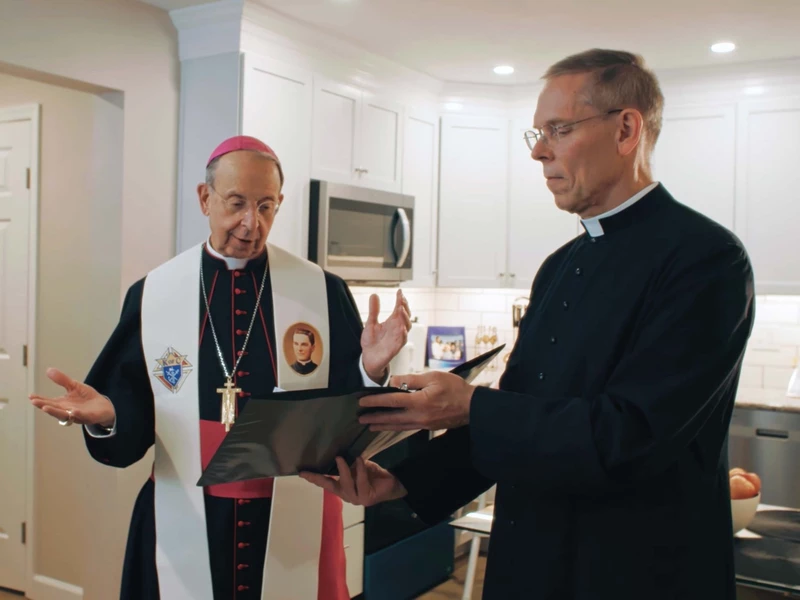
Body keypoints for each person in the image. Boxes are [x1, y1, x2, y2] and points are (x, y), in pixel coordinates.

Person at [301, 49, 756, 600]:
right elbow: (519, 413)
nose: (540, 151)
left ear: (627, 129)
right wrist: (401, 479)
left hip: (635, 572)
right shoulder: (559, 267)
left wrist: (470, 405)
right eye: (536, 134)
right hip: (530, 566)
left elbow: (629, 436)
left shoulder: (706, 260)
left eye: (559, 130)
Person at [29, 135, 412, 600]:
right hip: (186, 517)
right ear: (204, 198)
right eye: (237, 203)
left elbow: (350, 416)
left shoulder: (321, 291)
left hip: (293, 515)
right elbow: (135, 412)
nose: (252, 224)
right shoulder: (154, 294)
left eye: (267, 206)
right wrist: (110, 416)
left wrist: (370, 370)